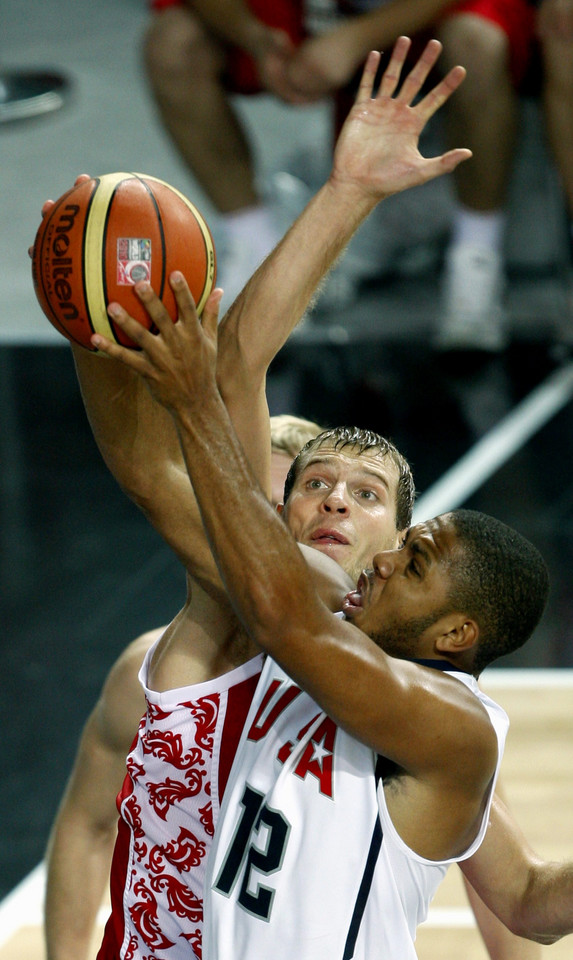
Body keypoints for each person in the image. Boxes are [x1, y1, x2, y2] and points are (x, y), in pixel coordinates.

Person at [43, 40, 567, 959]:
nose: (329, 502)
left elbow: (518, 905)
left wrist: (193, 396)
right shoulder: (255, 601)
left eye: (372, 504)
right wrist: (103, 325)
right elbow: (220, 391)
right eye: (310, 480)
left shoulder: (436, 717)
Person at [93, 278, 552, 958]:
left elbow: (281, 612)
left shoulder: (450, 722)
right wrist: (89, 312)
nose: (388, 563)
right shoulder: (305, 648)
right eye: (315, 485)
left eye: (413, 559)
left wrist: (195, 405)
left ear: (455, 635)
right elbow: (527, 901)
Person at [43, 413, 324, 960]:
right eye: (241, 512)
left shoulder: (383, 680)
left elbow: (491, 863)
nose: (251, 535)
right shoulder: (142, 676)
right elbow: (88, 825)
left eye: (274, 515)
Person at [141, 0, 540, 343]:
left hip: (410, 16)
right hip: (311, 15)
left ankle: (475, 257)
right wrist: (255, 37)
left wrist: (354, 39)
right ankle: (258, 256)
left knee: (478, 41)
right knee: (173, 43)